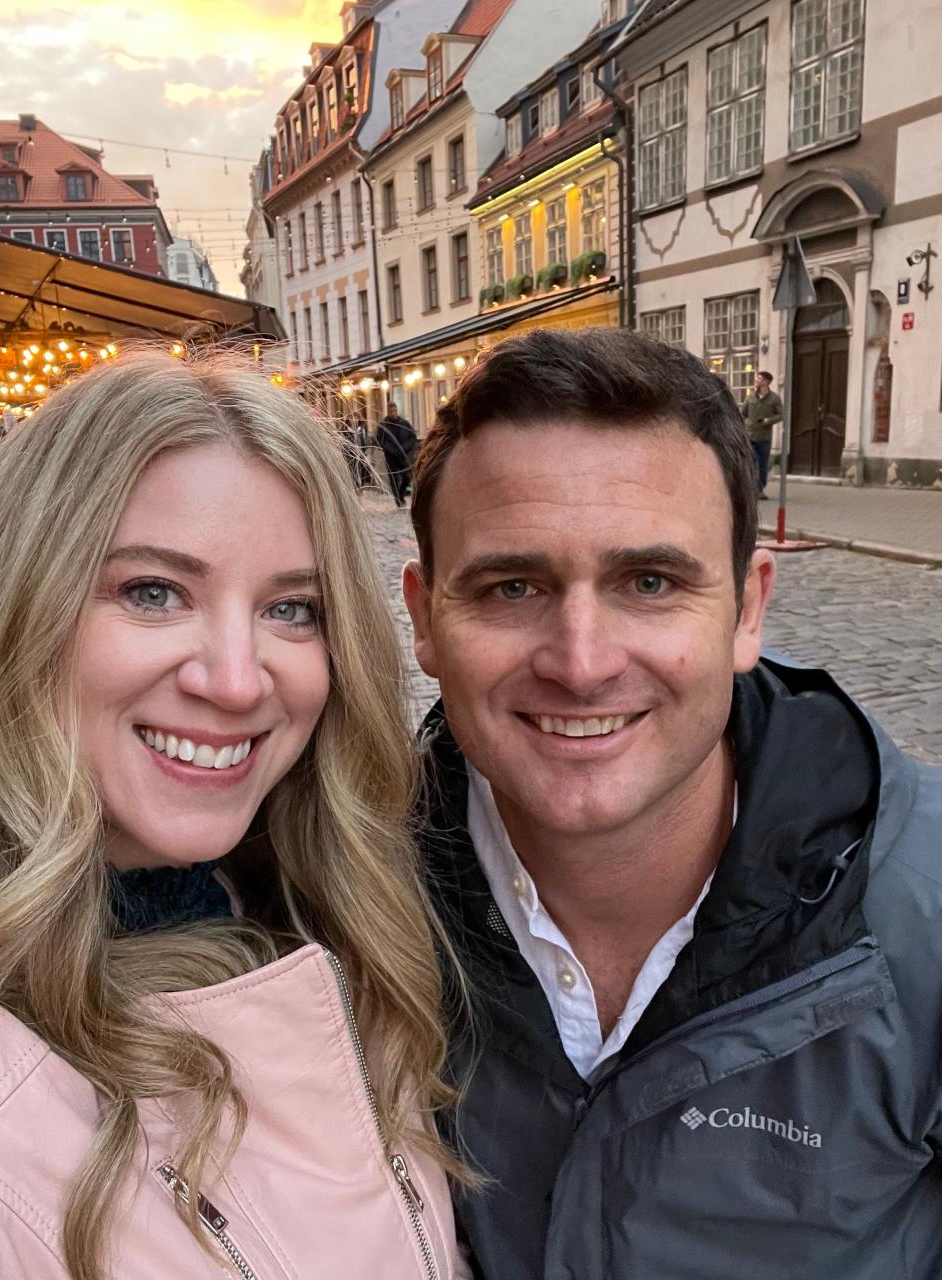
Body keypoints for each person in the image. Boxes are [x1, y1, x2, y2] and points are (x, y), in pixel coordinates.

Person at [402, 327, 942, 1280]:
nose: (581, 660)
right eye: (512, 585)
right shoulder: (337, 903)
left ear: (747, 607)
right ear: (423, 618)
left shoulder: (923, 915)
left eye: (649, 583)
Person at [0, 348, 468, 1280]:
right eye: (152, 593)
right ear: (19, 605)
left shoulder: (332, 926)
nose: (239, 682)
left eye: (292, 609)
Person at [742, 369, 783, 498]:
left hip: (764, 437)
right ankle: (751, 489)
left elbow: (781, 415)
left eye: (759, 378)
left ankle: (760, 489)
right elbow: (743, 414)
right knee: (753, 462)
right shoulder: (750, 397)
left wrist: (768, 420)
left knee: (763, 465)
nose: (756, 380)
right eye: (757, 378)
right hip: (750, 435)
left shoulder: (775, 398)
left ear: (767, 382)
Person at [377, 400, 418, 507]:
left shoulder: (404, 423)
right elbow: (380, 441)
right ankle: (398, 501)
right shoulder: (383, 426)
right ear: (388, 412)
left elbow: (412, 437)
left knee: (407, 477)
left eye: (394, 411)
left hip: (402, 455)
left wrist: (405, 448)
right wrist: (391, 450)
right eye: (391, 411)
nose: (393, 413)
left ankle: (401, 494)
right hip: (390, 457)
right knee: (394, 480)